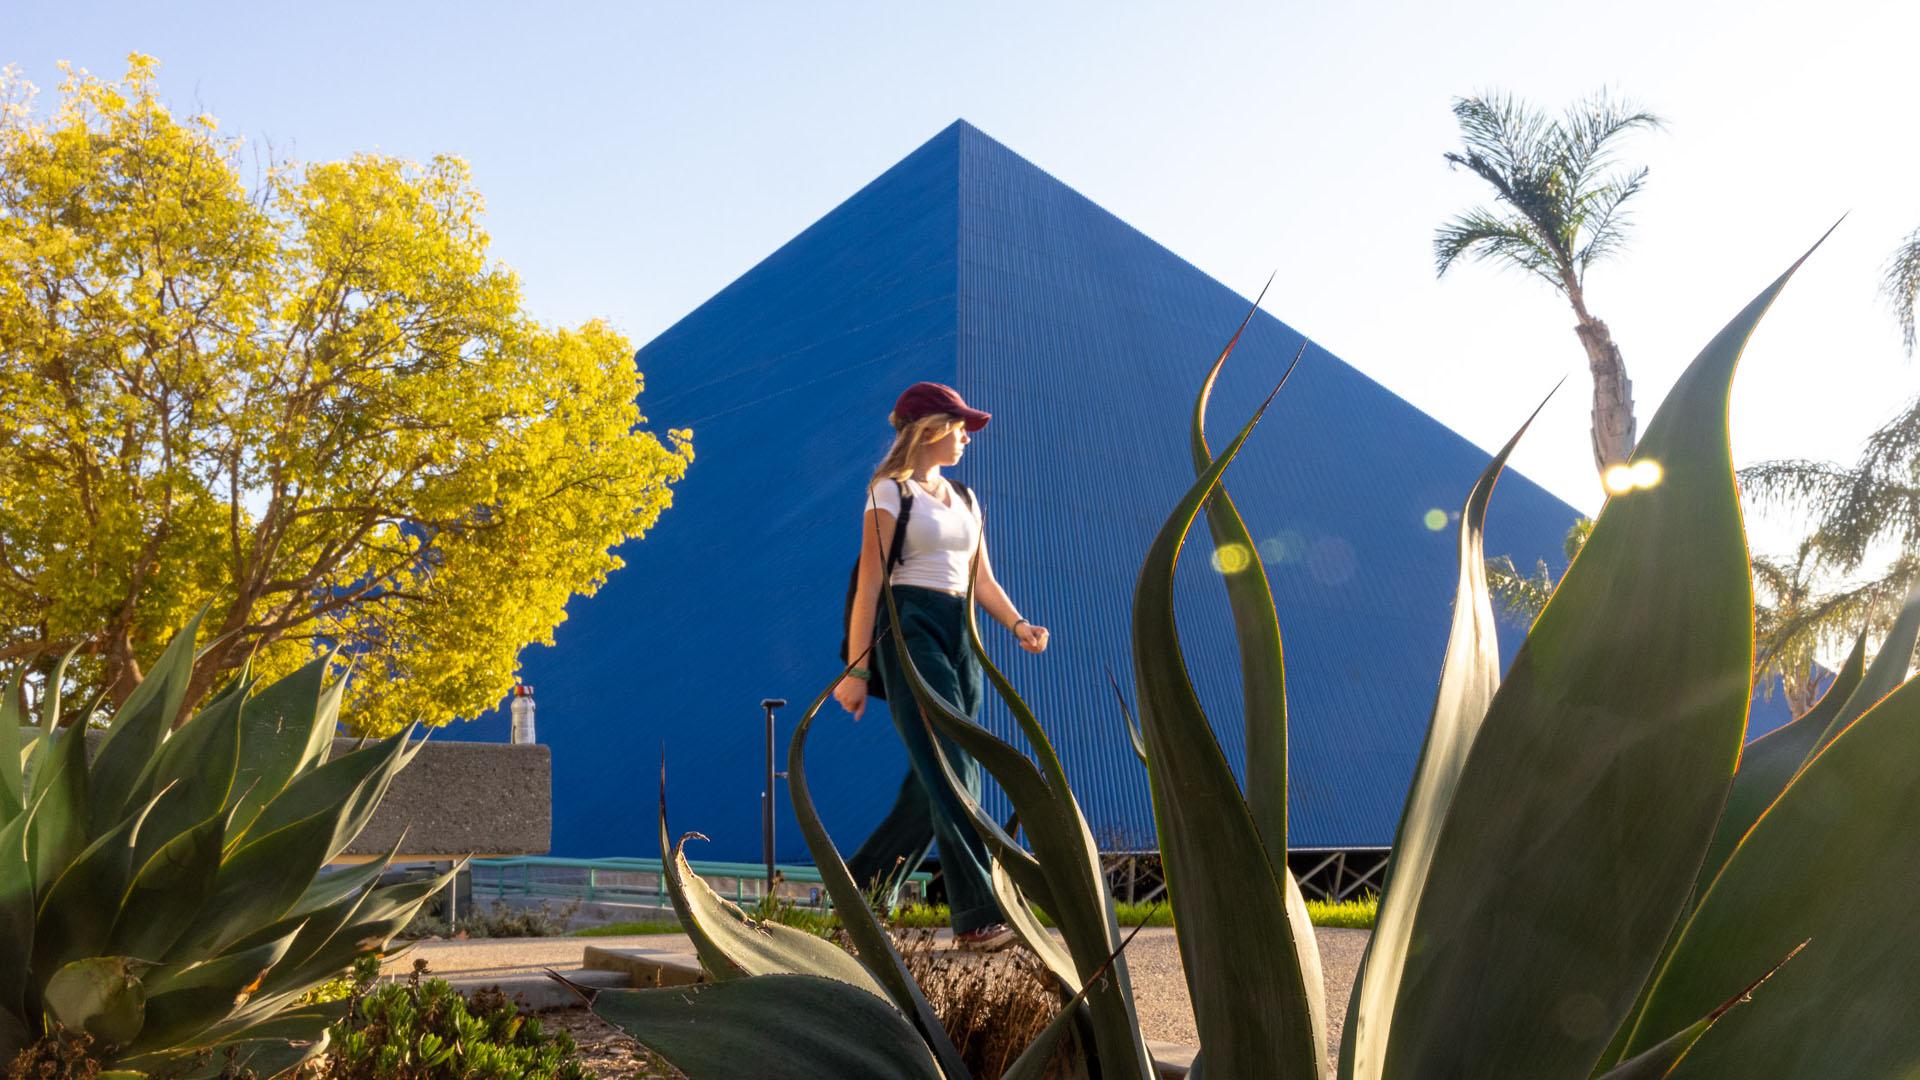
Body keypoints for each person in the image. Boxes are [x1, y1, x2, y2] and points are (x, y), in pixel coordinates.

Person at [834, 382, 1050, 952]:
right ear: (929, 428)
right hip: (907, 630)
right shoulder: (889, 492)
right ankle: (977, 917)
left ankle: (860, 890)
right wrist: (857, 671)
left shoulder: (967, 498)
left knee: (932, 779)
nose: (965, 438)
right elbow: (869, 588)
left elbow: (982, 580)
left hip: (962, 634)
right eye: (958, 427)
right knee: (953, 769)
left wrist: (1018, 624)